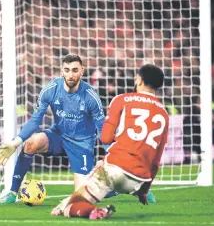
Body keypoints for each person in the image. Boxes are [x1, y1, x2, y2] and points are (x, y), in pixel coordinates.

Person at [51, 64, 169, 220]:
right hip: (138, 180)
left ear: (139, 80)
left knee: (68, 208)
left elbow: (105, 138)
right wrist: (144, 191)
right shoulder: (164, 113)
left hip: (113, 169)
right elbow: (156, 161)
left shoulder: (122, 99)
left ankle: (92, 211)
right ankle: (92, 206)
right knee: (90, 190)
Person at [0, 54, 105, 203]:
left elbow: (102, 129)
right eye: (67, 70)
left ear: (82, 71)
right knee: (32, 142)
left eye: (74, 70)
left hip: (82, 144)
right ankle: (13, 192)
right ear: (62, 71)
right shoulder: (51, 89)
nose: (70, 75)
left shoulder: (91, 96)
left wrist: (112, 155)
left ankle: (127, 187)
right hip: (58, 136)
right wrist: (16, 142)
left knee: (83, 194)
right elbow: (35, 120)